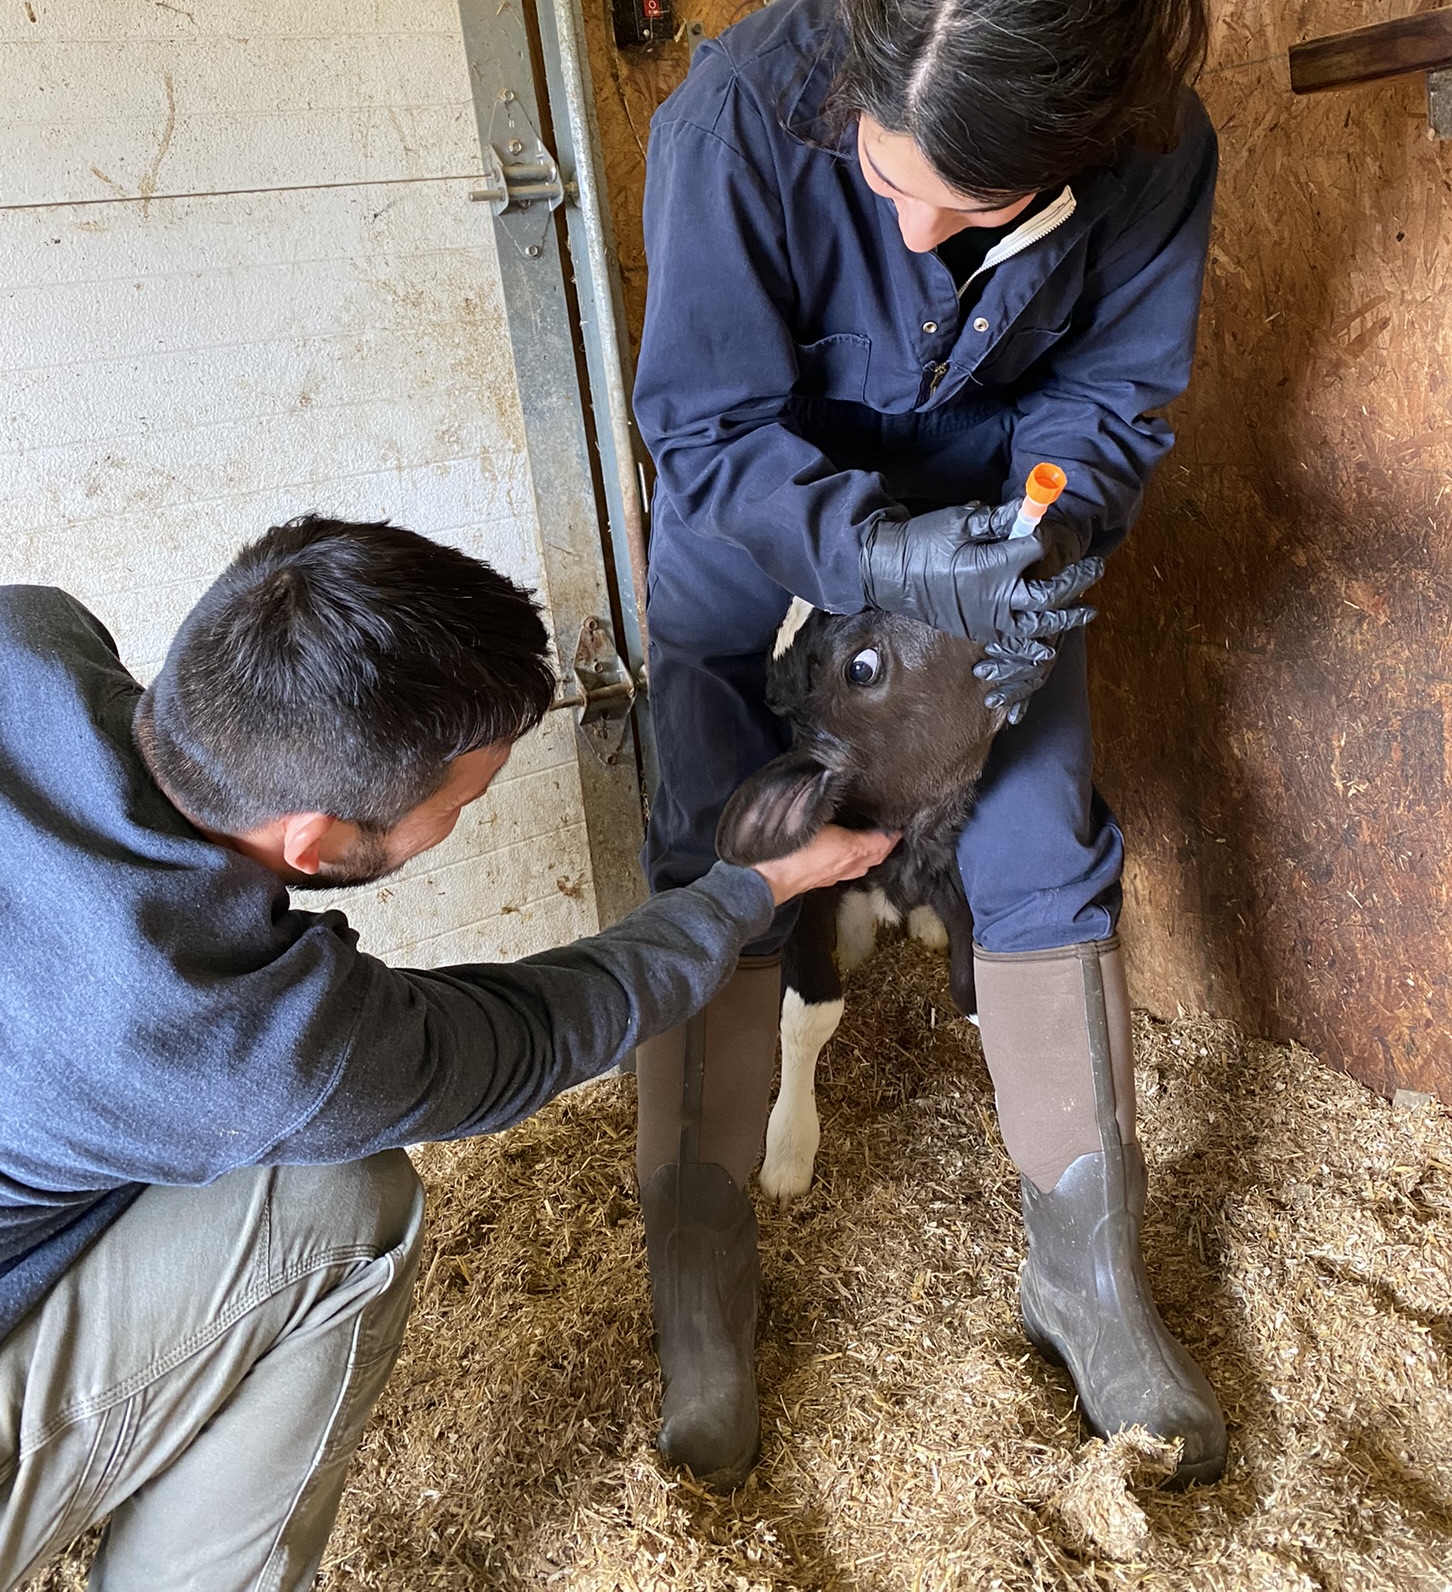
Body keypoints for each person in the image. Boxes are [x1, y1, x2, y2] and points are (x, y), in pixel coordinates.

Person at [631, 0, 1225, 1489]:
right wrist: (876, 545)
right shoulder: (741, 111)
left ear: (1085, 143)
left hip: (985, 535)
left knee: (1038, 844)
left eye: (972, 207)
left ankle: (1084, 1270)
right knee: (722, 841)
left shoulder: (1156, 149)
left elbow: (1111, 398)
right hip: (759, 515)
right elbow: (706, 432)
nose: (911, 235)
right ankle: (702, 1269)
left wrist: (1042, 530)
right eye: (891, 177)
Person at [0, 516, 894, 1591]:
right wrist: (756, 888)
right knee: (340, 1209)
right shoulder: (246, 1039)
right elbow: (537, 1029)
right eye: (459, 804)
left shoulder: (27, 635)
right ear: (316, 842)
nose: (463, 818)